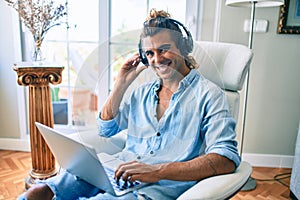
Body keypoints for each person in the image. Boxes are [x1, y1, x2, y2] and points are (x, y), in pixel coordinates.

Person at [19, 8, 240, 200]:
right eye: (150, 54)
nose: (157, 59)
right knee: (39, 192)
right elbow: (106, 128)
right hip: (116, 175)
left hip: (152, 191)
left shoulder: (210, 96)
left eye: (163, 49)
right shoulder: (142, 94)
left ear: (183, 47)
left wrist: (157, 171)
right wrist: (121, 83)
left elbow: (225, 159)